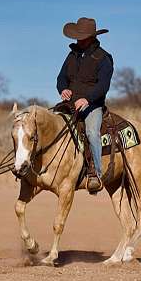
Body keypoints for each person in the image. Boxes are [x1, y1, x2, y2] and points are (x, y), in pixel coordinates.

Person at [57, 17, 114, 194]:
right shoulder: (72, 54)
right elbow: (61, 78)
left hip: (92, 105)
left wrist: (87, 99)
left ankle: (96, 174)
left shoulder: (104, 58)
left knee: (91, 132)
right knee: (49, 125)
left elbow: (103, 86)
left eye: (81, 36)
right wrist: (63, 89)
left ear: (91, 37)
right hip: (69, 104)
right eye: (77, 36)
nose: (78, 40)